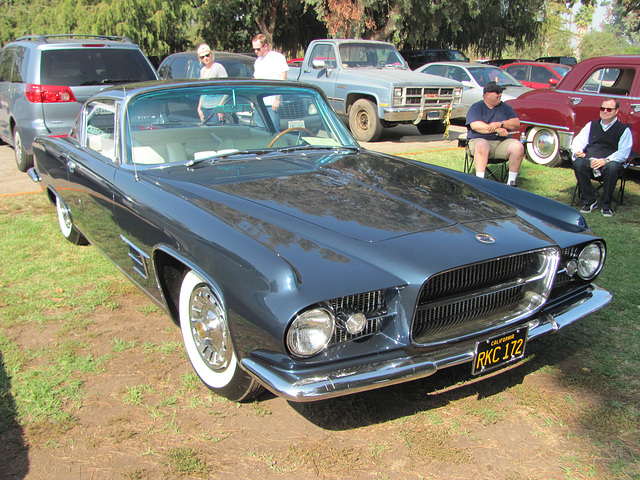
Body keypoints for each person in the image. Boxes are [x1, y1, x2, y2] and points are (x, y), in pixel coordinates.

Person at [571, 98, 631, 218]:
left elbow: (624, 152)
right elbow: (578, 140)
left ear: (616, 111)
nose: (604, 111)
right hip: (591, 160)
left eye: (609, 109)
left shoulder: (623, 130)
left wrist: (605, 160)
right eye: (602, 108)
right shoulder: (591, 125)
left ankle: (606, 204)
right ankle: (589, 200)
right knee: (579, 163)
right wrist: (577, 151)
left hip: (609, 163)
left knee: (613, 167)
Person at [466, 81, 524, 186]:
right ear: (488, 95)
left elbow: (516, 123)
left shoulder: (505, 107)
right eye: (497, 92)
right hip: (479, 141)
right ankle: (480, 182)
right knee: (482, 145)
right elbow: (475, 125)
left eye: (500, 92)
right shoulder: (477, 107)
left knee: (518, 146)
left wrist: (501, 124)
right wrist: (496, 129)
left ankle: (511, 183)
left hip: (501, 143)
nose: (500, 95)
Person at [251, 34, 289, 130]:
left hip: (271, 103)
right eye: (254, 49)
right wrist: (253, 99)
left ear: (265, 46)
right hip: (259, 103)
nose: (256, 51)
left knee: (273, 130)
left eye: (258, 49)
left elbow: (283, 79)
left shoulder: (277, 58)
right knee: (261, 131)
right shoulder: (257, 61)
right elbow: (256, 82)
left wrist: (277, 100)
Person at [196, 43, 228, 124]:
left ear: (211, 54)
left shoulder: (218, 67)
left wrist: (220, 107)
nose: (205, 58)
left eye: (207, 55)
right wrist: (199, 108)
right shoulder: (202, 70)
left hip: (215, 107)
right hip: (204, 107)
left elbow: (227, 89)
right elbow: (203, 92)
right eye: (202, 57)